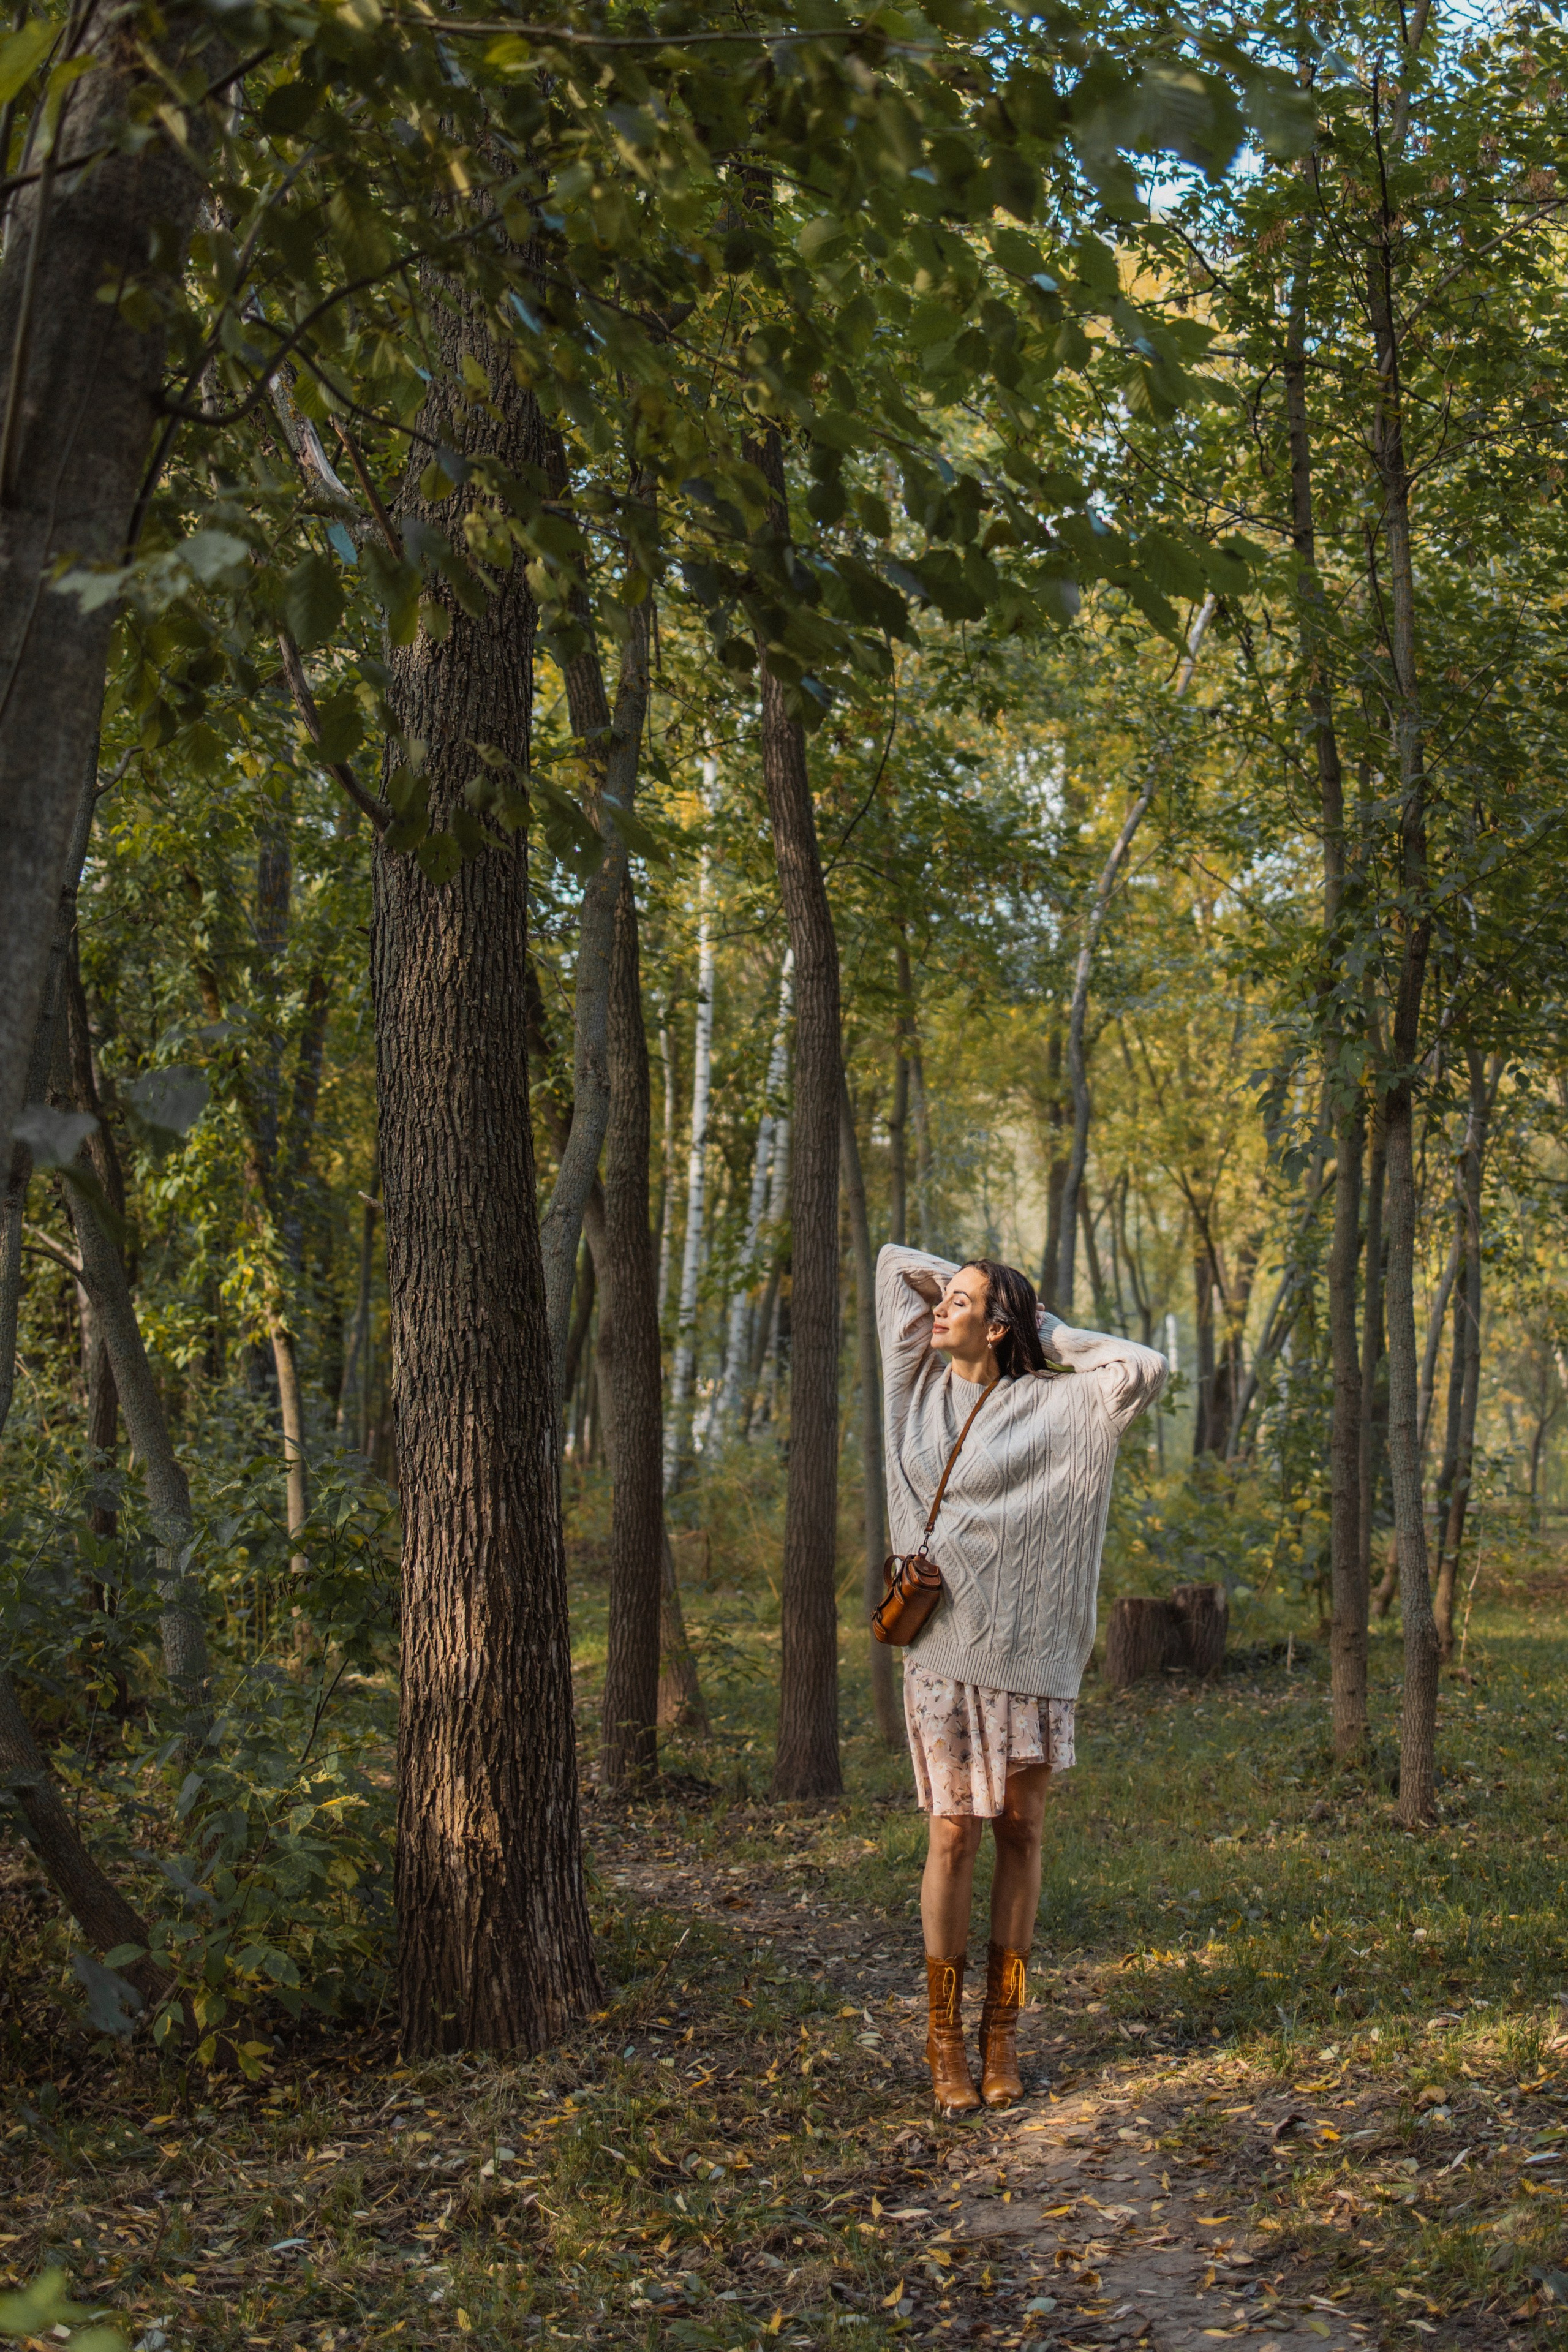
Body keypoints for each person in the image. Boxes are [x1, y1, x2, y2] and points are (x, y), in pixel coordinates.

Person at [875, 1246, 1167, 2116]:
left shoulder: (1058, 1402)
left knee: (1022, 1833)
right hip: (943, 1652)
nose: (942, 1311)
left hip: (1032, 1656)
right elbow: (899, 1267)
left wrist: (1044, 1326)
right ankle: (943, 2041)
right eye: (949, 1299)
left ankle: (1002, 2034)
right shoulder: (914, 1385)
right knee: (952, 1837)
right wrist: (975, 1282)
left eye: (962, 1305)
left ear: (999, 1327)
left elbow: (1141, 1367)